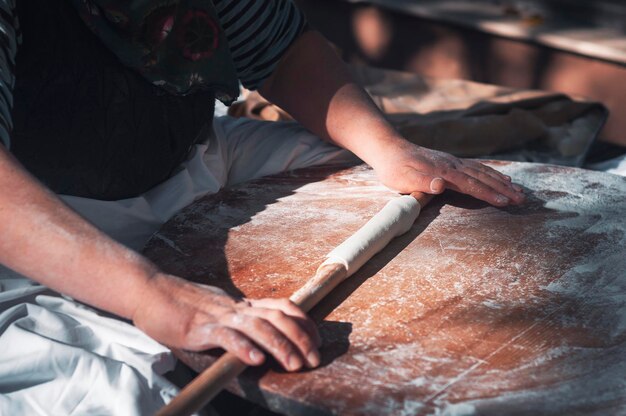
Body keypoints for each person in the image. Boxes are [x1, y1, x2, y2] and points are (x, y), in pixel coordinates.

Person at [0, 0, 525, 411]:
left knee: (376, 181)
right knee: (120, 395)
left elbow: (284, 50)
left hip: (202, 155)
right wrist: (149, 293)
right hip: (45, 226)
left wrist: (389, 148)